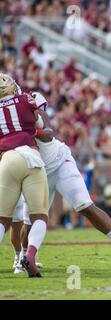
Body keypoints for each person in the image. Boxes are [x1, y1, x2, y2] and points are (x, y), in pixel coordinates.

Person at [10, 91, 111, 274]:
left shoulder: (31, 101)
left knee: (84, 204)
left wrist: (31, 131)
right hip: (36, 170)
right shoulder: (7, 119)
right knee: (30, 221)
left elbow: (49, 133)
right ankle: (23, 258)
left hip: (59, 162)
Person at [0, 74, 48, 277]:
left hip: (7, 159)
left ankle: (20, 256)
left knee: (2, 220)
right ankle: (30, 255)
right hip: (30, 156)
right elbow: (41, 127)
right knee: (39, 216)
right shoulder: (25, 98)